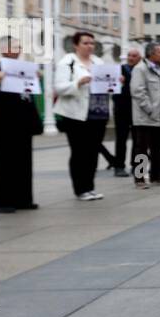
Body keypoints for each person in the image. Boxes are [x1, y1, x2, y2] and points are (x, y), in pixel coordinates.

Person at [0, 36, 42, 212]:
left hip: (23, 123)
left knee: (24, 162)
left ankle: (23, 199)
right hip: (5, 124)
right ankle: (3, 201)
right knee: (5, 163)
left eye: (20, 46)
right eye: (16, 46)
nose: (19, 49)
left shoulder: (25, 68)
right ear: (5, 49)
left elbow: (29, 97)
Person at [53, 31, 107, 201]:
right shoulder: (67, 62)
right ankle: (80, 189)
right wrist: (78, 82)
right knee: (79, 153)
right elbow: (59, 88)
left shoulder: (99, 62)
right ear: (76, 45)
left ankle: (90, 187)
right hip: (75, 115)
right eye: (85, 43)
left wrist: (115, 81)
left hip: (98, 113)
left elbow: (106, 85)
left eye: (92, 43)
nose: (90, 46)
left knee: (92, 153)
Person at [131, 42, 160, 188]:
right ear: (151, 54)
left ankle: (156, 176)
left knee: (157, 148)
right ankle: (139, 178)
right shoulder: (140, 69)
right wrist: (150, 109)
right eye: (159, 52)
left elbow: (155, 92)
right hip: (144, 117)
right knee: (141, 149)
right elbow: (138, 92)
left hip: (157, 116)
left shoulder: (156, 69)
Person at [110, 47, 139, 177]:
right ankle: (119, 166)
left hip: (138, 109)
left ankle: (138, 167)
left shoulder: (141, 70)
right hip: (121, 109)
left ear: (139, 58)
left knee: (139, 140)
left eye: (134, 56)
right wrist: (117, 82)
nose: (131, 58)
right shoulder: (119, 70)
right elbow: (110, 89)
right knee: (121, 139)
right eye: (129, 55)